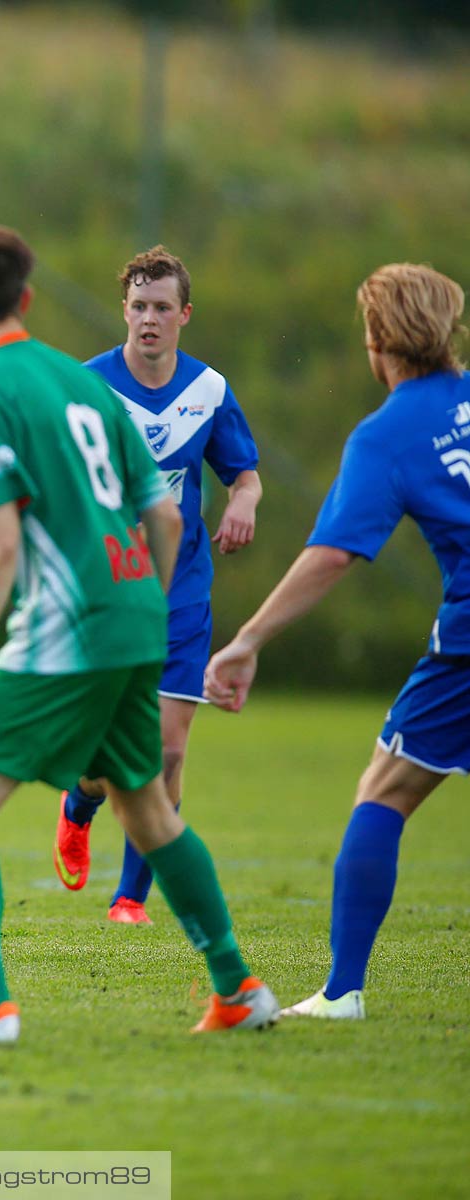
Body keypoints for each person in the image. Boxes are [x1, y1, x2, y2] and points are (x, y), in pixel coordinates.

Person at [0, 219, 276, 1043]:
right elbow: (161, 511)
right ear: (27, 299)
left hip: (68, 628)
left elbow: (0, 539)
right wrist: (138, 596)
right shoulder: (78, 385)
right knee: (150, 812)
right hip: (141, 615)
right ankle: (237, 987)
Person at [207, 263, 468, 1021]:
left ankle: (343, 990)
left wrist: (247, 640)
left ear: (378, 342)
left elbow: (332, 555)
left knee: (383, 790)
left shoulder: (387, 434)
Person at [53, 247, 263, 923]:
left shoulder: (209, 391)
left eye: (162, 308)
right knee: (103, 752)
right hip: (106, 590)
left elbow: (246, 474)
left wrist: (244, 501)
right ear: (124, 310)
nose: (149, 319)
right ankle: (79, 805)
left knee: (166, 750)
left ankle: (130, 898)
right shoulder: (87, 386)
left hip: (181, 591)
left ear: (184, 315)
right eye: (139, 306)